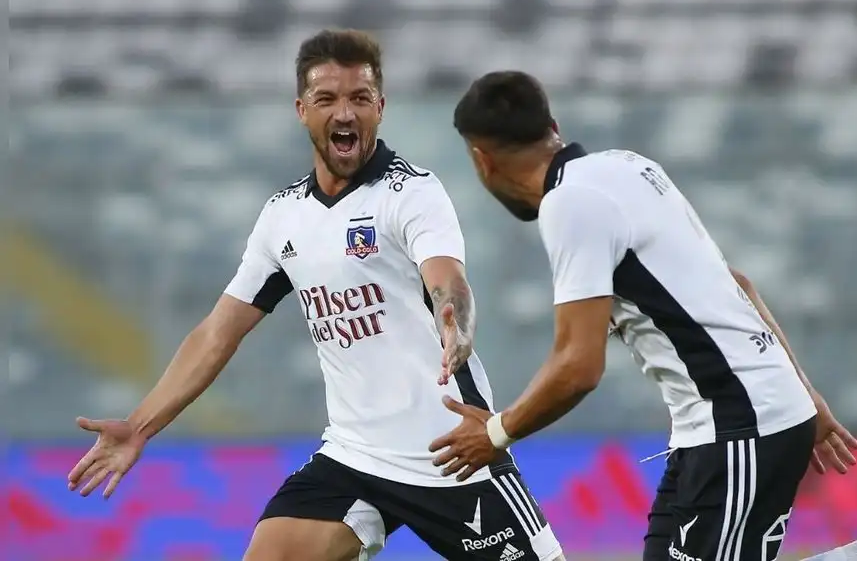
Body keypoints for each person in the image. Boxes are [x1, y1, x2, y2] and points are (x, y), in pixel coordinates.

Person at [66, 32, 564, 561]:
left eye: (359, 98)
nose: (344, 113)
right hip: (356, 456)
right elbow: (219, 332)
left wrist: (455, 322)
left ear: (381, 108)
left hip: (452, 451)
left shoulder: (412, 193)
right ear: (302, 110)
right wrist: (140, 426)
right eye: (327, 100)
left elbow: (448, 281)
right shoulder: (284, 217)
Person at [430, 70, 857, 561]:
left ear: (482, 161)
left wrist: (496, 433)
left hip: (739, 428)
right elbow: (736, 284)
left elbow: (578, 366)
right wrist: (805, 394)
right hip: (728, 427)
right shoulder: (629, 166)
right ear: (553, 128)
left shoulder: (570, 206)